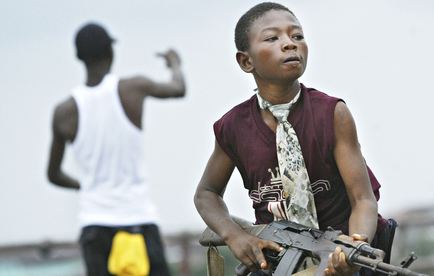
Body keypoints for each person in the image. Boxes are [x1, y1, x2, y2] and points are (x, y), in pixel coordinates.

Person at [194, 2, 389, 275]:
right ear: (246, 61)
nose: (289, 44)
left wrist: (355, 245)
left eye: (297, 36)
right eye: (273, 38)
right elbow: (206, 194)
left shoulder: (332, 113)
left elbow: (363, 199)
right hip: (277, 261)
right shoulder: (232, 127)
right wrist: (234, 236)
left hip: (338, 257)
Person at [47, 22, 185, 276]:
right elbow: (178, 89)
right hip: (138, 219)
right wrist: (175, 63)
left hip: (95, 225)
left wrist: (86, 184)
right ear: (111, 52)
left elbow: (53, 175)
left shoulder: (64, 112)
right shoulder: (133, 88)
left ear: (79, 57)